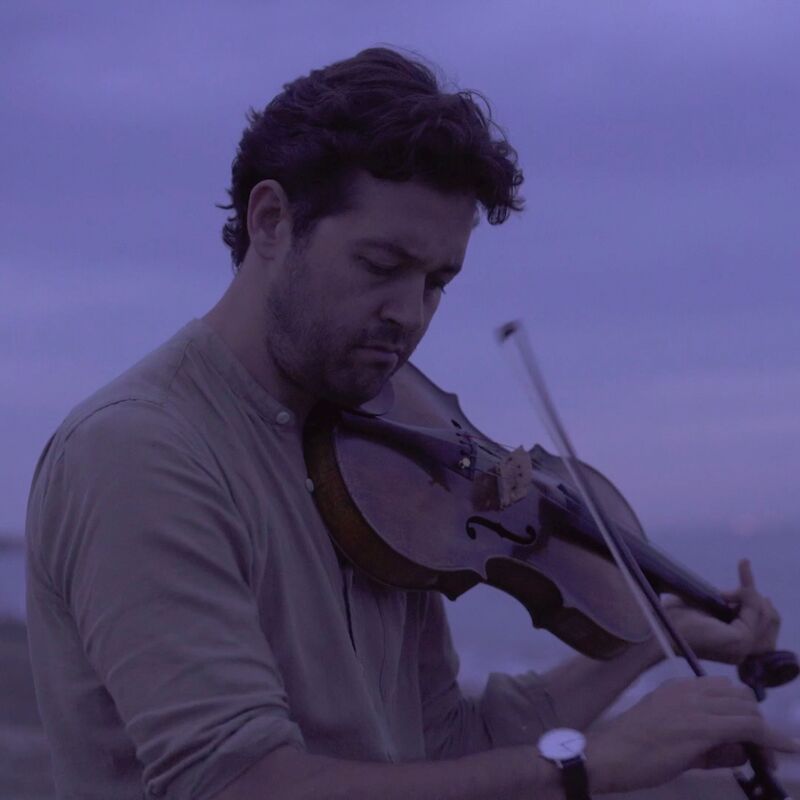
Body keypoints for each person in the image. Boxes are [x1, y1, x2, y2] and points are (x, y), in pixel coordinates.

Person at [24, 46, 798, 800]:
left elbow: (439, 748)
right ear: (270, 221)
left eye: (437, 281)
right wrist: (588, 766)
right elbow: (238, 782)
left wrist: (652, 646)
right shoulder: (141, 451)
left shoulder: (380, 466)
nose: (408, 314)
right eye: (380, 266)